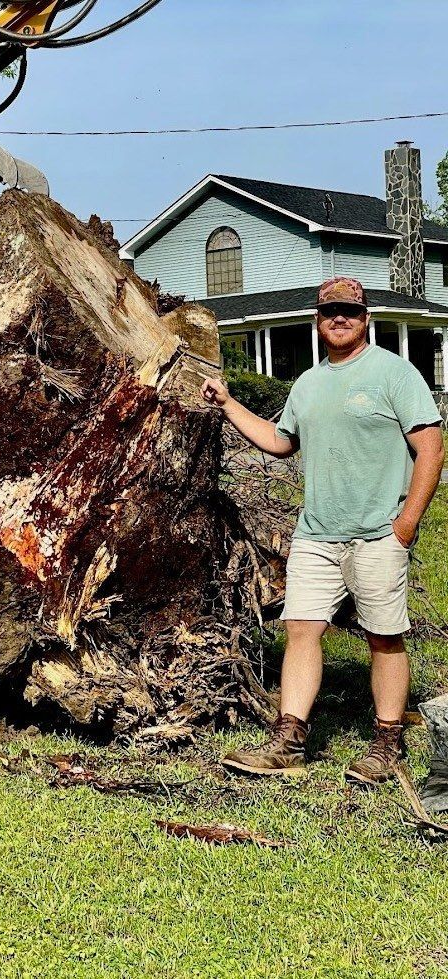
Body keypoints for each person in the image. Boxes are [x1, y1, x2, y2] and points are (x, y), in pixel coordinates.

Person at [201, 277, 445, 783]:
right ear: (317, 320)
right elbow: (278, 439)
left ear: (365, 320)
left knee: (383, 637)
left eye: (350, 312)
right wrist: (227, 403)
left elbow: (431, 448)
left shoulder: (394, 374)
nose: (340, 319)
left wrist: (405, 525)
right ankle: (289, 740)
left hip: (379, 532)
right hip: (316, 534)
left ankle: (386, 743)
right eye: (330, 311)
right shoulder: (307, 384)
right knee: (302, 630)